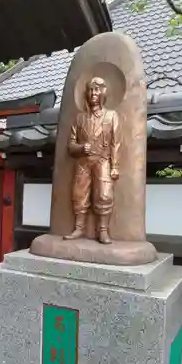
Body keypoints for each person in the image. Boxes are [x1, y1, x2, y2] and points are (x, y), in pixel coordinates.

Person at [63, 77, 120, 244]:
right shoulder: (79, 118)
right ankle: (79, 228)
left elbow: (116, 143)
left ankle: (103, 231)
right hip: (83, 162)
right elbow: (70, 145)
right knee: (79, 194)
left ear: (103, 93)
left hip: (102, 160)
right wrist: (81, 148)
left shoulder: (111, 116)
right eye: (90, 90)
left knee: (104, 194)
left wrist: (114, 166)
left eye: (96, 90)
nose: (93, 93)